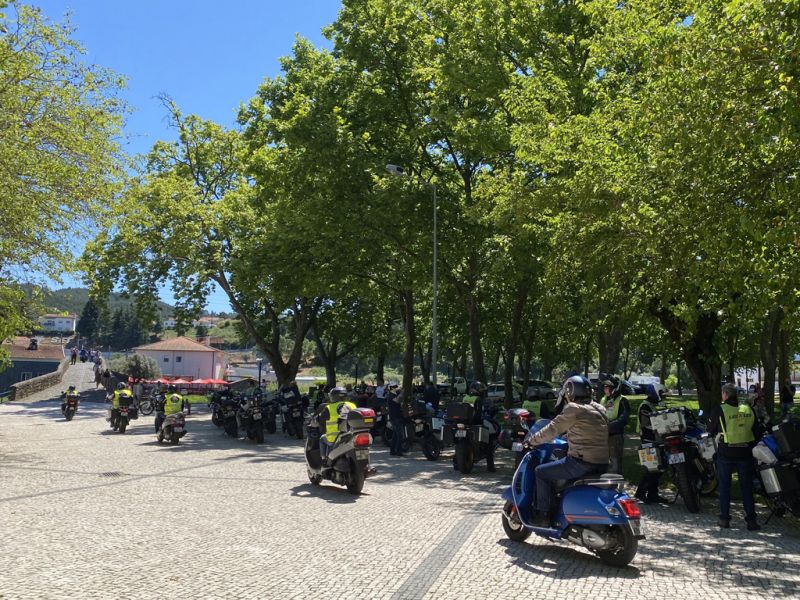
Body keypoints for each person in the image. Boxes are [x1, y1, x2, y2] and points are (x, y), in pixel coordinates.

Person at [528, 375, 610, 526]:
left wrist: (531, 441)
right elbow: (588, 430)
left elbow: (552, 429)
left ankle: (543, 516)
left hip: (581, 463)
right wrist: (567, 437)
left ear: (570, 391)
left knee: (541, 472)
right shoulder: (599, 408)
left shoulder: (574, 408)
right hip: (602, 462)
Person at [706, 383, 761, 531]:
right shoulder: (748, 409)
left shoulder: (720, 409)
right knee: (747, 488)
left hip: (726, 452)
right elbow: (757, 432)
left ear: (725, 394)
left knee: (724, 486)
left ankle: (724, 519)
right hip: (745, 453)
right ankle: (751, 521)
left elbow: (710, 430)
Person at [634, 388, 669, 504]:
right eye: (661, 395)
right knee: (652, 469)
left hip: (655, 440)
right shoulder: (645, 406)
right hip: (648, 440)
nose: (663, 397)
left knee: (658, 469)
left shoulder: (651, 405)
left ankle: (653, 494)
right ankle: (640, 493)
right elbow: (646, 424)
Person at [461, 381, 498, 472]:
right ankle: (490, 466)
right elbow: (485, 411)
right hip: (477, 422)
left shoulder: (465, 398)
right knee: (490, 438)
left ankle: (457, 463)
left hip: (464, 423)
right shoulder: (480, 400)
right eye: (481, 389)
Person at [317, 387, 356, 461]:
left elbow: (320, 420)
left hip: (334, 438)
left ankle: (324, 459)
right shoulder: (352, 405)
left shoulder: (329, 407)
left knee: (322, 438)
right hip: (351, 436)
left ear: (334, 397)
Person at [600, 379, 631, 475]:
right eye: (604, 388)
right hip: (603, 435)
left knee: (615, 464)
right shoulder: (604, 399)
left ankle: (617, 486)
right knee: (603, 463)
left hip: (615, 436)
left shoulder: (623, 400)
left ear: (614, 388)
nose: (604, 390)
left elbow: (623, 420)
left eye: (607, 388)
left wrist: (607, 426)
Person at [387, 385, 405, 457]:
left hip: (397, 417)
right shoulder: (391, 396)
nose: (397, 388)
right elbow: (397, 400)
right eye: (395, 387)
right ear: (392, 388)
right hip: (395, 417)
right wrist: (402, 392)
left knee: (395, 435)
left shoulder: (394, 395)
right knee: (400, 436)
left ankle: (392, 450)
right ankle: (398, 451)